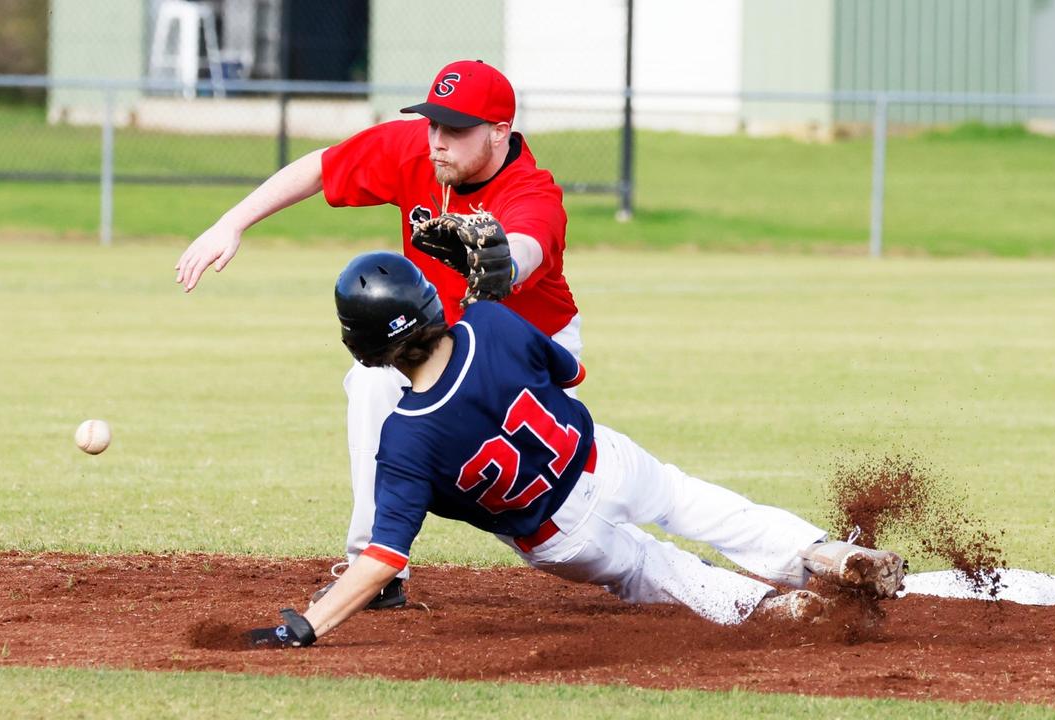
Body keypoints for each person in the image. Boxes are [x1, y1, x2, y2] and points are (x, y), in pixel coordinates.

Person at [246, 252, 907, 648]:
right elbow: (570, 374)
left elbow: (383, 559)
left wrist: (306, 626)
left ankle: (782, 611)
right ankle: (828, 554)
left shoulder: (405, 438)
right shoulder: (493, 322)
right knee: (705, 505)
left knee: (663, 572)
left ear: (361, 345)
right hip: (603, 459)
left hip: (560, 535)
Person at [175, 60, 581, 610]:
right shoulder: (417, 149)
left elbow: (526, 248)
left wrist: (499, 260)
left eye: (456, 129)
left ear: (499, 132)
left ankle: (651, 557)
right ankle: (377, 568)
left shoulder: (530, 191)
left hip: (523, 349)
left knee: (558, 530)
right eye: (433, 123)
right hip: (437, 340)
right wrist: (233, 222)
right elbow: (321, 168)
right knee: (370, 383)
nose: (437, 140)